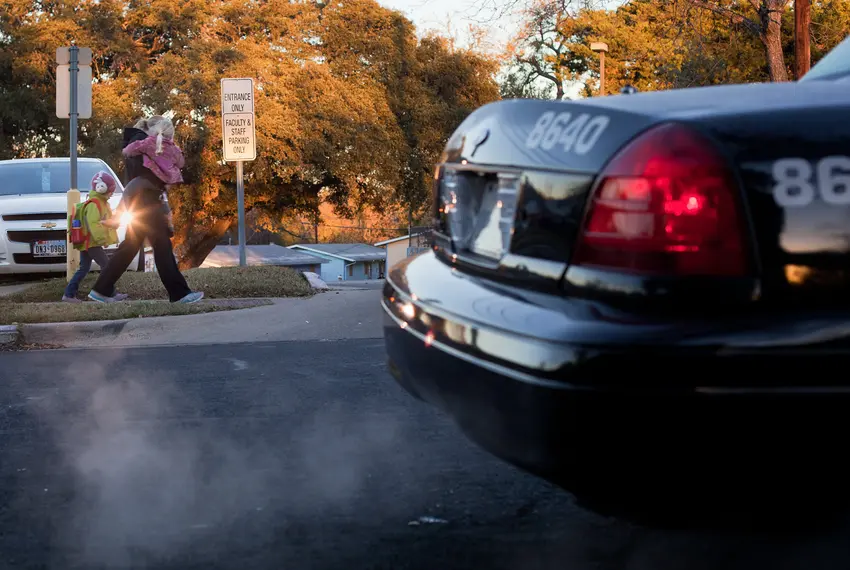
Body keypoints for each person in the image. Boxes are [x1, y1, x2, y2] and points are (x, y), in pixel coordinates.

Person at [88, 116, 203, 304]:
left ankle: (101, 289)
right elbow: (143, 178)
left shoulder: (137, 143)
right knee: (162, 246)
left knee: (130, 247)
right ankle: (180, 294)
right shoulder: (144, 144)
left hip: (141, 200)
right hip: (147, 200)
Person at [62, 171, 130, 303]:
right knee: (107, 266)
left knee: (84, 268)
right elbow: (93, 225)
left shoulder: (101, 203)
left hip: (89, 242)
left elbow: (105, 221)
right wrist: (101, 240)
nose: (111, 194)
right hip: (91, 242)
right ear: (101, 188)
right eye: (110, 191)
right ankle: (109, 293)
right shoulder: (94, 204)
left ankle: (69, 295)